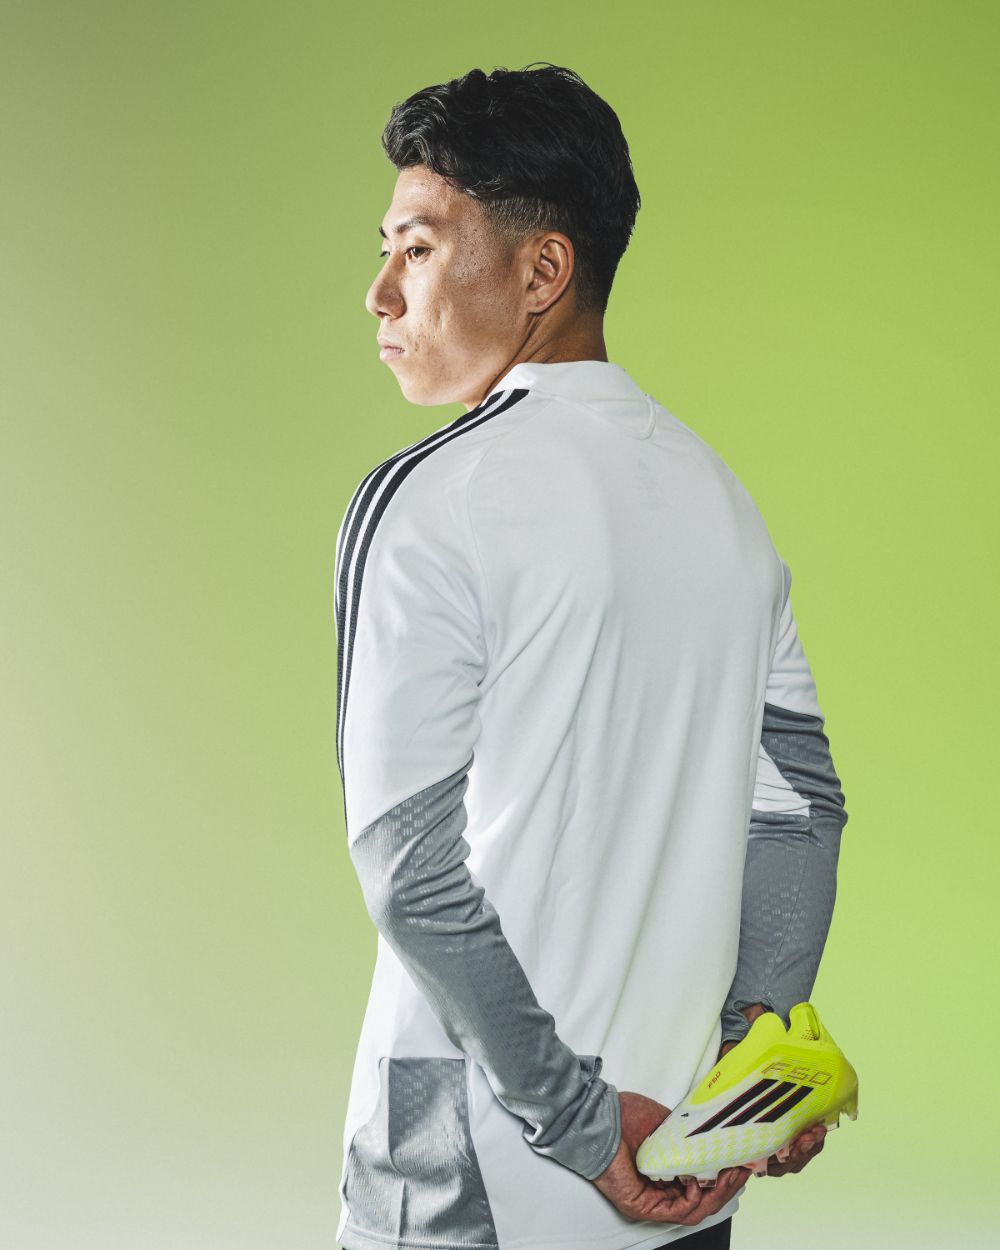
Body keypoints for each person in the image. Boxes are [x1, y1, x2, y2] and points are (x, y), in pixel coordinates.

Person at [333, 63, 848, 1250]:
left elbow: (407, 866)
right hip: (684, 1158)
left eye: (417, 248)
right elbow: (801, 811)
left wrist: (575, 1119)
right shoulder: (725, 506)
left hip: (474, 1172)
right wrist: (754, 1053)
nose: (379, 290)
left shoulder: (429, 498)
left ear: (541, 271)